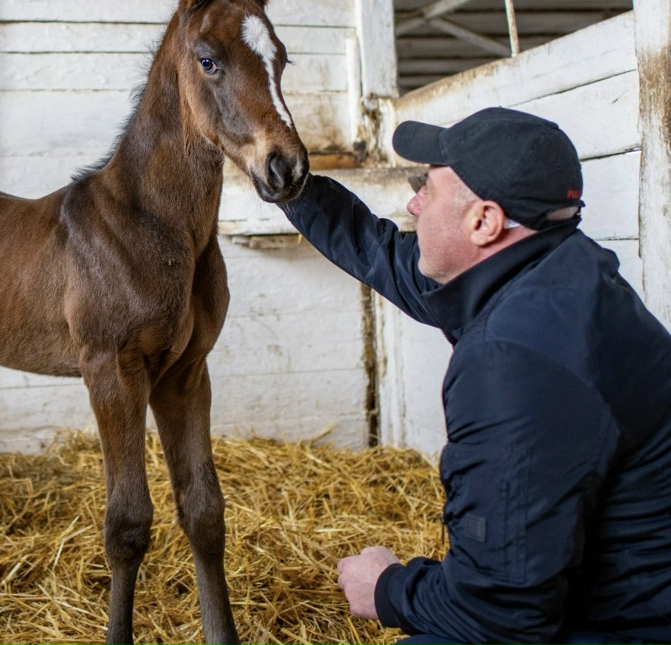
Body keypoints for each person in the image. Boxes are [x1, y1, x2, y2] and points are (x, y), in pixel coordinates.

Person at [279, 107, 671, 644]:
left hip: (625, 628)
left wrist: (389, 588)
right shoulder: (555, 268)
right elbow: (390, 258)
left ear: (483, 222)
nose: (414, 204)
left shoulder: (516, 361)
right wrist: (292, 191)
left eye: (429, 192)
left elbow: (501, 613)